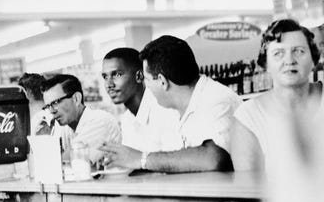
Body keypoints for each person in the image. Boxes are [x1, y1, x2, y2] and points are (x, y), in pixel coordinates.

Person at [100, 35, 241, 173]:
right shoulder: (185, 105)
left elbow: (213, 159)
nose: (146, 88)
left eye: (147, 80)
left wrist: (142, 159)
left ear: (162, 81)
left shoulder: (217, 100)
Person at [231, 19, 322, 171]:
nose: (289, 60)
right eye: (278, 53)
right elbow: (248, 188)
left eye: (298, 51)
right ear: (265, 64)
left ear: (313, 60)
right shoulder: (248, 117)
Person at [101, 47, 181, 152]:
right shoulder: (127, 119)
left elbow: (176, 162)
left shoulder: (163, 110)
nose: (109, 84)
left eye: (117, 74)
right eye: (105, 77)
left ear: (139, 76)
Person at [40, 74, 121, 164]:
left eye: (55, 103)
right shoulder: (64, 126)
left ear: (76, 99)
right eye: (48, 106)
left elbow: (64, 162)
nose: (52, 111)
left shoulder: (100, 120)